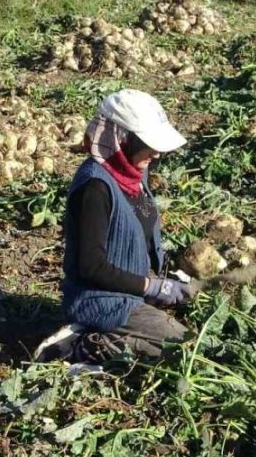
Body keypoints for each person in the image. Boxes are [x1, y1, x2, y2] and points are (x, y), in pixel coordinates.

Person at [35, 89, 192, 365]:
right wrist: (151, 286)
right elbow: (91, 266)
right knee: (183, 349)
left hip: (131, 289)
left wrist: (165, 279)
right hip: (100, 298)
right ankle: (83, 345)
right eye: (147, 142)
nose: (156, 153)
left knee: (190, 333)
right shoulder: (94, 187)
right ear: (122, 139)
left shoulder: (134, 171)